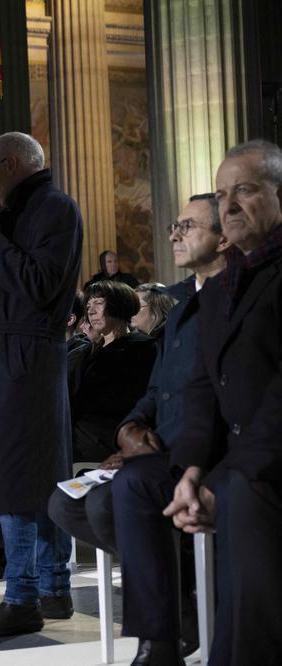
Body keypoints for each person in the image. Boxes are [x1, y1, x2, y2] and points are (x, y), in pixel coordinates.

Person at [48, 193, 228, 665]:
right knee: (65, 502)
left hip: (208, 453)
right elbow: (157, 388)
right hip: (157, 445)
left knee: (118, 499)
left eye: (187, 226)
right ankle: (180, 603)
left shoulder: (235, 298)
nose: (173, 234)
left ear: (225, 234)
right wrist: (131, 426)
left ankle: (162, 637)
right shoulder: (188, 302)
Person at [0, 131, 83, 636]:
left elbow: (37, 283)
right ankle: (53, 588)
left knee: (17, 481)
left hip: (25, 358)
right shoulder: (14, 216)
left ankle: (23, 596)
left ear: (9, 164)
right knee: (33, 478)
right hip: (0, 355)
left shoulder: (55, 208)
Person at [164, 140, 282, 665]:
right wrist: (192, 469)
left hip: (266, 469)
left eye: (245, 190)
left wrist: (226, 479)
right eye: (221, 193)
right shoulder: (218, 290)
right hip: (242, 471)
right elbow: (203, 389)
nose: (229, 205)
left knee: (255, 617)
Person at [68, 281, 158, 463]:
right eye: (88, 306)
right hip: (83, 432)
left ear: (120, 304)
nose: (91, 311)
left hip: (107, 437)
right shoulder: (92, 347)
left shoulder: (141, 348)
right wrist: (92, 346)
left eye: (98, 303)